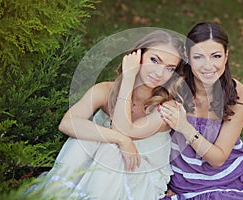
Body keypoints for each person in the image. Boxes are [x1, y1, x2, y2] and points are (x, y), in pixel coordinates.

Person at [25, 30, 188, 199]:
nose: (159, 73)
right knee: (85, 139)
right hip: (98, 167)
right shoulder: (104, 90)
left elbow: (122, 129)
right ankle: (54, 194)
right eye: (154, 60)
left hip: (140, 177)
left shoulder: (166, 108)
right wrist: (121, 140)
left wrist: (128, 79)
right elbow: (67, 123)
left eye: (169, 68)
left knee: (110, 149)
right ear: (136, 56)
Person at [158, 22, 243, 199]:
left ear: (226, 56)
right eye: (199, 57)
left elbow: (218, 159)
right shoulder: (174, 86)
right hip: (189, 180)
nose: (208, 66)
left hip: (233, 172)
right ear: (187, 56)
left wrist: (185, 127)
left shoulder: (239, 93)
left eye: (216, 56)